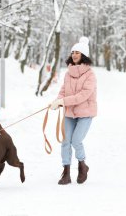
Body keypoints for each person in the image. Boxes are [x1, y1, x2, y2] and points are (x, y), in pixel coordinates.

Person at [50, 36, 97, 185]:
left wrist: (63, 101)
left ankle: (82, 165)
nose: (74, 55)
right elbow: (63, 90)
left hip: (85, 113)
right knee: (65, 141)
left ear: (83, 55)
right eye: (73, 52)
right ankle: (66, 172)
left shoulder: (90, 75)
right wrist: (57, 101)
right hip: (70, 113)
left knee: (76, 141)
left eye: (78, 52)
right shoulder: (68, 73)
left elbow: (83, 96)